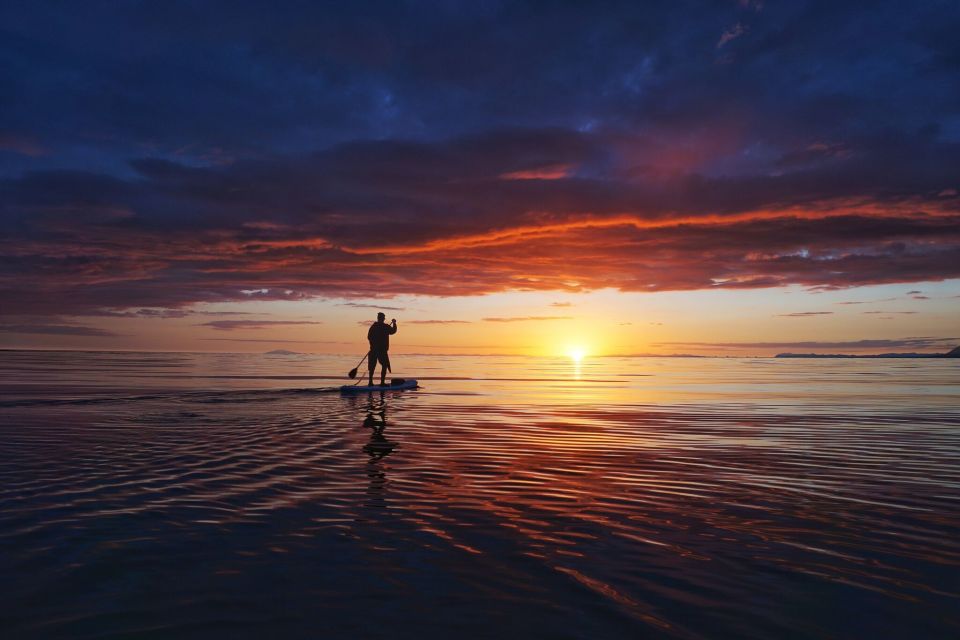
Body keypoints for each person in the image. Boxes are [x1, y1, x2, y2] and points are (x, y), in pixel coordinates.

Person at [367, 312, 397, 386]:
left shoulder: (374, 326)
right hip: (380, 350)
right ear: (383, 318)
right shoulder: (384, 327)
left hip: (374, 350)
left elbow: (369, 337)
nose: (383, 319)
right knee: (384, 365)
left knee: (372, 366)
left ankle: (370, 382)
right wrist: (394, 323)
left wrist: (394, 323)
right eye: (383, 318)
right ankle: (381, 383)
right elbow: (393, 331)